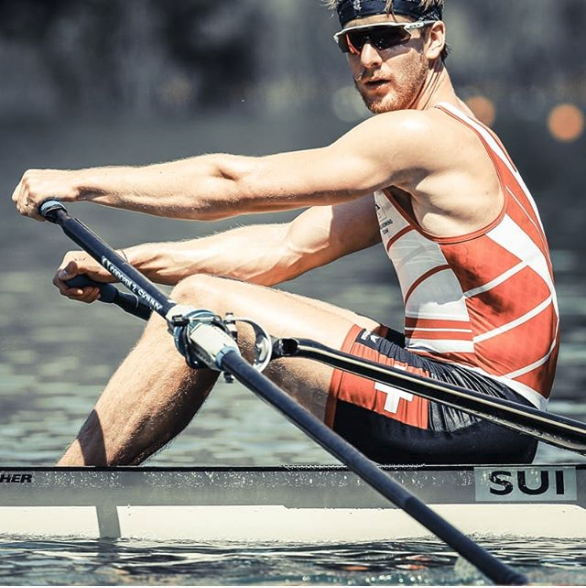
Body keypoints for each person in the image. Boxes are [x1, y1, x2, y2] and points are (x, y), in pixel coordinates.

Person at [12, 0, 559, 466]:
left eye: (387, 38)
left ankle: (64, 493)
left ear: (433, 39)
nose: (367, 59)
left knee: (204, 302)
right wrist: (124, 265)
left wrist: (79, 181)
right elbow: (284, 248)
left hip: (475, 412)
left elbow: (235, 184)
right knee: (207, 293)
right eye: (353, 43)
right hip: (471, 409)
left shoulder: (422, 135)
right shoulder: (430, 163)